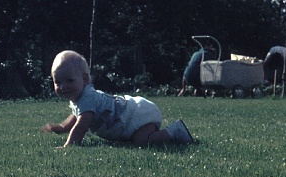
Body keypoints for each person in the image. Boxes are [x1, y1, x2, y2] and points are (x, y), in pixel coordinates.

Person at [42, 50, 194, 147]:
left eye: (69, 81)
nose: (62, 87)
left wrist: (70, 145)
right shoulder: (82, 97)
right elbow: (76, 115)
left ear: (85, 79)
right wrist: (63, 127)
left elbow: (81, 124)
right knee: (136, 140)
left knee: (141, 142)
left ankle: (174, 131)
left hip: (137, 115)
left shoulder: (87, 97)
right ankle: (170, 131)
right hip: (131, 117)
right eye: (58, 82)